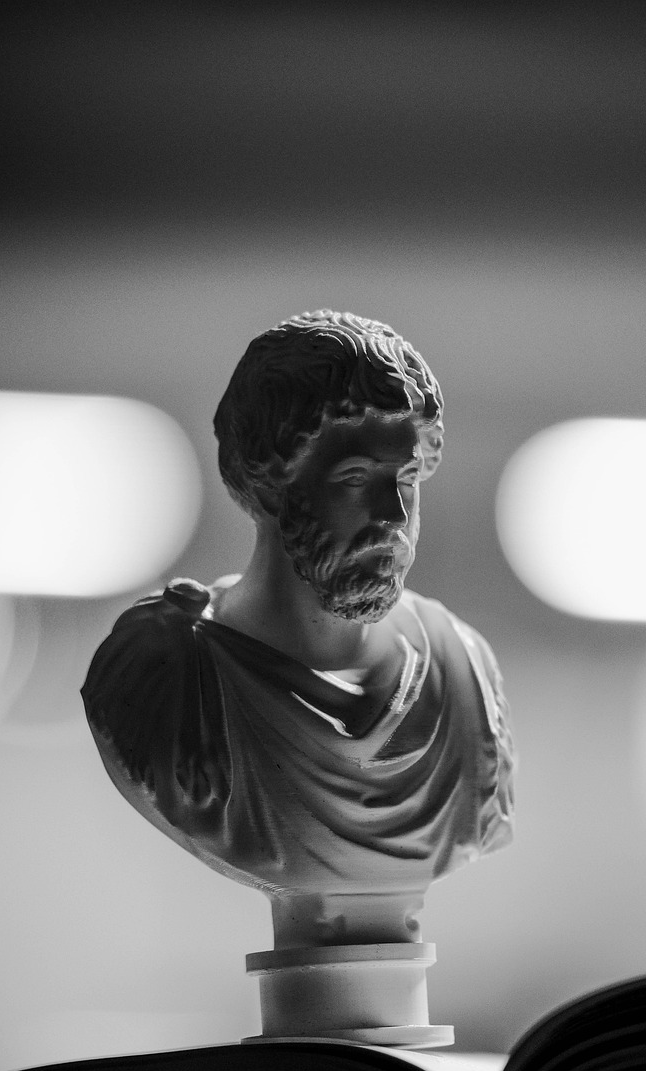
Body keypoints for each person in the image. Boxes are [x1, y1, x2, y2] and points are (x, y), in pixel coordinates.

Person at [82, 310, 514, 949]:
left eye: (406, 479)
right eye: (356, 478)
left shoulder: (464, 671)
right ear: (270, 484)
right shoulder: (165, 675)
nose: (393, 514)